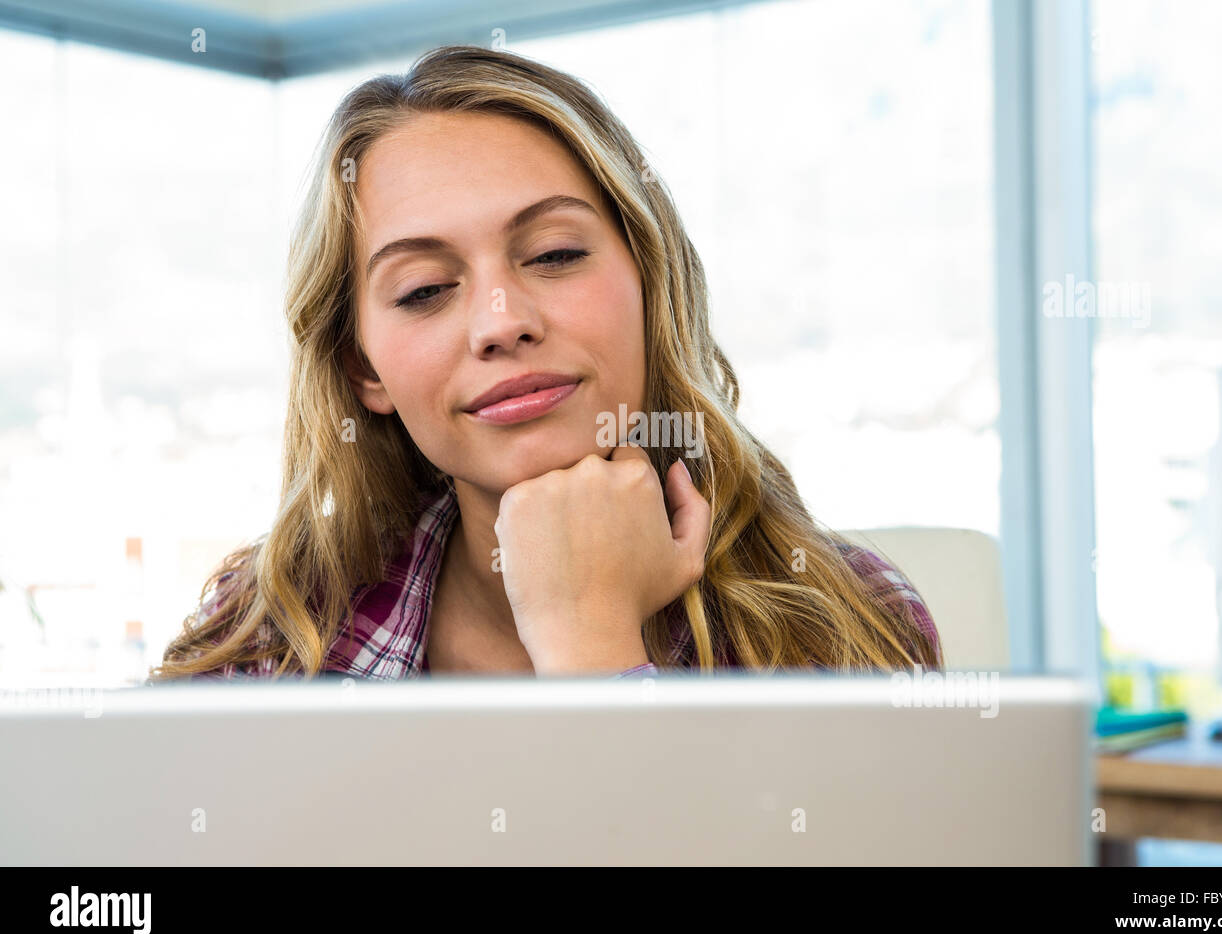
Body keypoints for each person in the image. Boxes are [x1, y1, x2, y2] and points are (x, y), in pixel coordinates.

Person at [148, 45, 942, 683]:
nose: (503, 324)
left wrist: (588, 643)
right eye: (425, 290)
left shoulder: (843, 624)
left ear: (649, 287)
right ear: (365, 371)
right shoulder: (270, 636)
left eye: (556, 253)